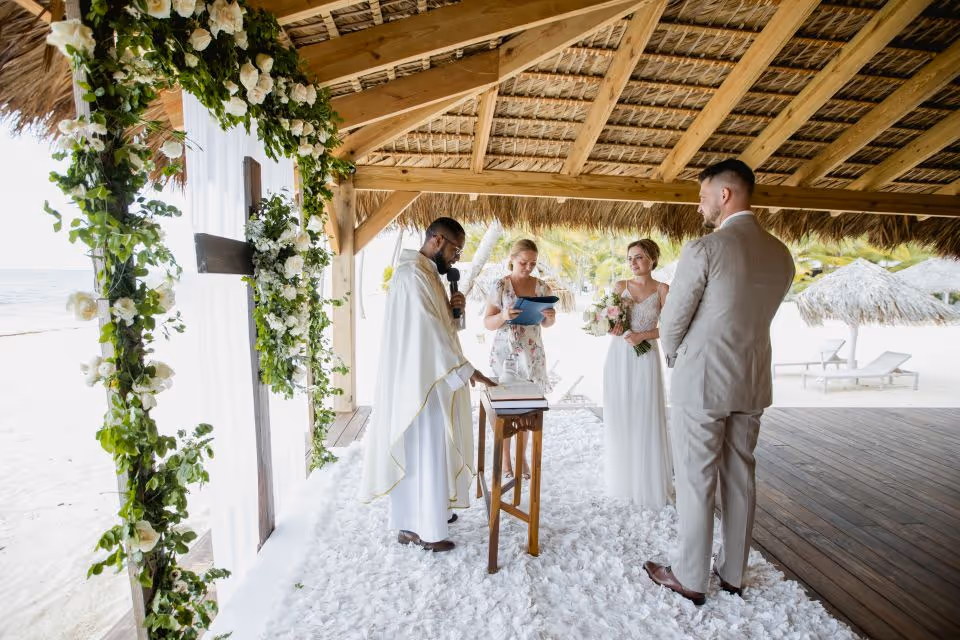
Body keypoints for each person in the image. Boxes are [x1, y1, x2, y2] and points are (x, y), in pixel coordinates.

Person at [643, 159, 795, 604]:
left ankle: (690, 576)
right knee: (740, 476)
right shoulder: (781, 253)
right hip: (752, 378)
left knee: (695, 477)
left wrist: (674, 354)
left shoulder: (705, 248)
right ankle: (733, 573)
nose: (700, 204)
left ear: (725, 194)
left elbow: (673, 320)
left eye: (704, 194)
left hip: (703, 379)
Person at [360, 217, 496, 553]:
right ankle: (423, 529)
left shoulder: (426, 275)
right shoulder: (412, 276)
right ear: (437, 240)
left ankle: (422, 519)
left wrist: (456, 313)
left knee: (430, 452)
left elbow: (443, 329)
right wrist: (468, 371)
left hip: (431, 376)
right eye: (455, 250)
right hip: (420, 383)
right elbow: (429, 334)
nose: (457, 259)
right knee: (424, 452)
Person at [603, 239, 673, 509]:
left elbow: (669, 327)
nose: (633, 262)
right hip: (619, 355)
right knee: (622, 411)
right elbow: (609, 320)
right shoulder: (620, 287)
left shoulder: (663, 289)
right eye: (630, 257)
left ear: (653, 260)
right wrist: (613, 328)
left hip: (645, 355)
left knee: (645, 412)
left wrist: (642, 334)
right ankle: (625, 479)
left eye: (640, 257)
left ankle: (648, 480)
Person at [483, 238, 556, 479]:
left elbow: (548, 323)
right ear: (512, 259)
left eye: (533, 263)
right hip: (505, 354)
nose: (528, 267)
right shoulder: (500, 286)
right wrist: (504, 314)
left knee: (527, 408)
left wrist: (548, 316)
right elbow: (488, 323)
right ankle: (505, 460)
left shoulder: (543, 287)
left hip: (531, 353)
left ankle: (521, 456)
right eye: (523, 262)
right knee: (506, 407)